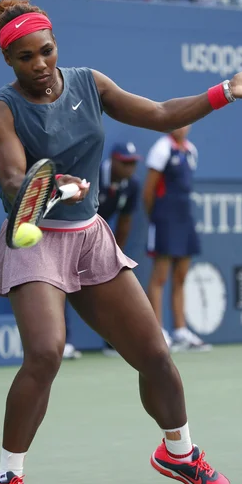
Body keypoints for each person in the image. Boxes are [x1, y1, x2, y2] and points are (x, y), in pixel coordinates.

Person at [0, 0, 242, 484]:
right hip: (36, 237)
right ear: (9, 61)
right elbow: (12, 180)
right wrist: (46, 183)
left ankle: (179, 453)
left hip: (90, 237)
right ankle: (9, 477)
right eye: (25, 57)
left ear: (56, 46)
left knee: (155, 354)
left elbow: (162, 114)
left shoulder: (90, 84)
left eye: (45, 51)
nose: (39, 64)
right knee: (46, 353)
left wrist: (224, 93)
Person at [143, 126, 210, 352]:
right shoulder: (161, 149)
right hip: (164, 218)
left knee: (181, 275)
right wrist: (157, 218)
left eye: (188, 122)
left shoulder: (191, 151)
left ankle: (180, 331)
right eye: (179, 122)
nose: (183, 126)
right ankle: (158, 331)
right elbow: (148, 191)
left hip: (184, 218)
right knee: (160, 277)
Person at [98, 141, 141, 356]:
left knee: (115, 282)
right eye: (125, 163)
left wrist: (116, 255)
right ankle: (65, 342)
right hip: (70, 232)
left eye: (133, 163)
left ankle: (111, 342)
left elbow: (124, 222)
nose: (130, 168)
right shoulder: (93, 175)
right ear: (113, 160)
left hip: (99, 238)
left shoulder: (132, 186)